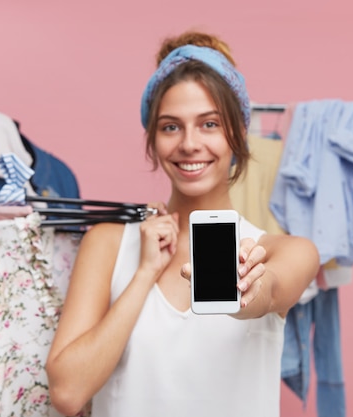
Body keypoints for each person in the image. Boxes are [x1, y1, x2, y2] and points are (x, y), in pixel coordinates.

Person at [45, 30, 320, 417]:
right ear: (153, 139)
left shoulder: (284, 250)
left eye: (209, 124)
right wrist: (144, 274)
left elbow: (266, 295)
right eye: (171, 126)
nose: (189, 144)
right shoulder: (107, 244)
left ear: (239, 133)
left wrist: (243, 286)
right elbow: (68, 393)